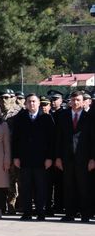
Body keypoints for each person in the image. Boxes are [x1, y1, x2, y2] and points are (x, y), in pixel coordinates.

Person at [12, 93, 54, 221]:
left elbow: (52, 140)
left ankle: (41, 212)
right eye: (29, 102)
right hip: (25, 159)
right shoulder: (20, 118)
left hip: (41, 159)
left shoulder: (46, 118)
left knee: (41, 187)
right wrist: (16, 157)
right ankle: (27, 212)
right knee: (25, 187)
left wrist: (49, 157)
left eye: (34, 101)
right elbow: (15, 139)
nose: (32, 104)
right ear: (25, 104)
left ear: (39, 103)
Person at [54, 91, 94, 222]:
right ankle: (69, 214)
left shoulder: (90, 117)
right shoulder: (63, 116)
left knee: (84, 187)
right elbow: (58, 138)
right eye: (73, 100)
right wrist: (58, 157)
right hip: (67, 158)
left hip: (84, 159)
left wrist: (93, 159)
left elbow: (93, 140)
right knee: (68, 186)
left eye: (78, 100)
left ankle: (85, 214)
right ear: (70, 101)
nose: (75, 102)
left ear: (83, 101)